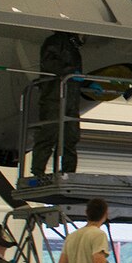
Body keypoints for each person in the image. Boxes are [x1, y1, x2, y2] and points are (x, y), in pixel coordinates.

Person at [30, 31, 84, 175]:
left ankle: (68, 172)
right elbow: (50, 64)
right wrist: (72, 72)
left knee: (70, 137)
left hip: (70, 98)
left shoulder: (72, 47)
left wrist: (87, 83)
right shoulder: (56, 42)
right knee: (49, 134)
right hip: (53, 97)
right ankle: (38, 171)